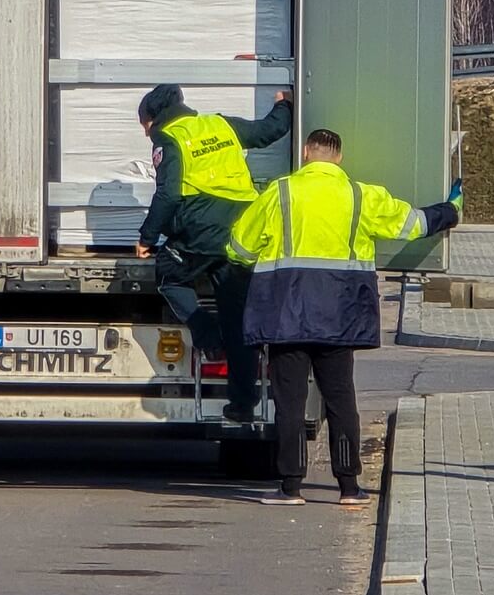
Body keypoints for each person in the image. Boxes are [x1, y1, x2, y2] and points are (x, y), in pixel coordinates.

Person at [226, 128, 462, 506]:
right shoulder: (360, 195)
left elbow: (239, 246)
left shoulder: (279, 192)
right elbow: (413, 225)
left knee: (289, 402)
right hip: (339, 314)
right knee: (340, 398)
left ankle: (290, 487)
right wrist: (451, 210)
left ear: (306, 152)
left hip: (286, 313)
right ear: (339, 157)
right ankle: (350, 488)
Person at [135, 83, 292, 423]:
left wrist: (147, 237)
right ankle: (242, 404)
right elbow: (269, 132)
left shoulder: (168, 138)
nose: (146, 133)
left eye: (144, 125)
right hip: (242, 234)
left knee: (167, 274)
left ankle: (209, 337)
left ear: (154, 118)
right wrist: (285, 105)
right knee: (238, 322)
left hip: (201, 230)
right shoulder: (220, 124)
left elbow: (169, 195)